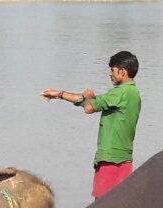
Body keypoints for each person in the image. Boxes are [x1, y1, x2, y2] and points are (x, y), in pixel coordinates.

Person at [41, 50, 142, 199]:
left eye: (112, 70)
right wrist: (59, 94)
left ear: (122, 72)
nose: (110, 74)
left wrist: (88, 95)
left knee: (100, 207)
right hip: (125, 159)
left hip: (110, 158)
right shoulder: (132, 93)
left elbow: (88, 107)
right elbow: (88, 102)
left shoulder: (121, 92)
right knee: (121, 204)